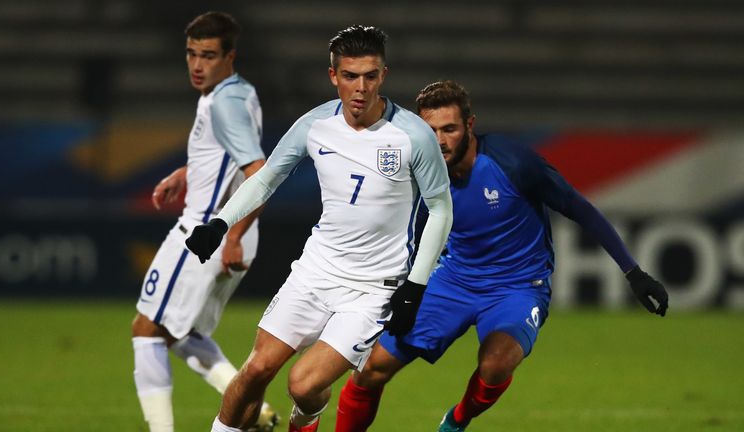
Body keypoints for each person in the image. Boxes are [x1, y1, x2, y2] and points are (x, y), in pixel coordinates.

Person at [334, 80, 670, 432]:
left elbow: (580, 209)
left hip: (519, 287)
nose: (440, 140)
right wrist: (405, 290)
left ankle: (457, 420)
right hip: (454, 280)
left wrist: (633, 273)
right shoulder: (419, 170)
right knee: (372, 370)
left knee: (495, 367)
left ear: (470, 125)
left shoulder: (514, 163)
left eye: (449, 129)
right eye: (430, 130)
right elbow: (412, 234)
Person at [184, 25, 453, 432]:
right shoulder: (315, 124)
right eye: (349, 76)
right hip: (315, 271)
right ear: (334, 77)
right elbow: (266, 178)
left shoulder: (413, 135)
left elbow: (440, 210)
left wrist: (414, 287)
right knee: (256, 369)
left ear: (383, 75)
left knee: (303, 385)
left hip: (371, 289)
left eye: (369, 76)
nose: (360, 88)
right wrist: (220, 222)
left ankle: (305, 417)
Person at [131, 11, 278, 432]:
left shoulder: (225, 103)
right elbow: (226, 158)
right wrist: (186, 172)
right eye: (192, 54)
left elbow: (260, 175)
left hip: (206, 235)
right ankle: (255, 412)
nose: (197, 65)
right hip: (227, 236)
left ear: (230, 55)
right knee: (179, 333)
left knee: (146, 331)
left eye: (209, 55)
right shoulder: (239, 92)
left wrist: (233, 235)